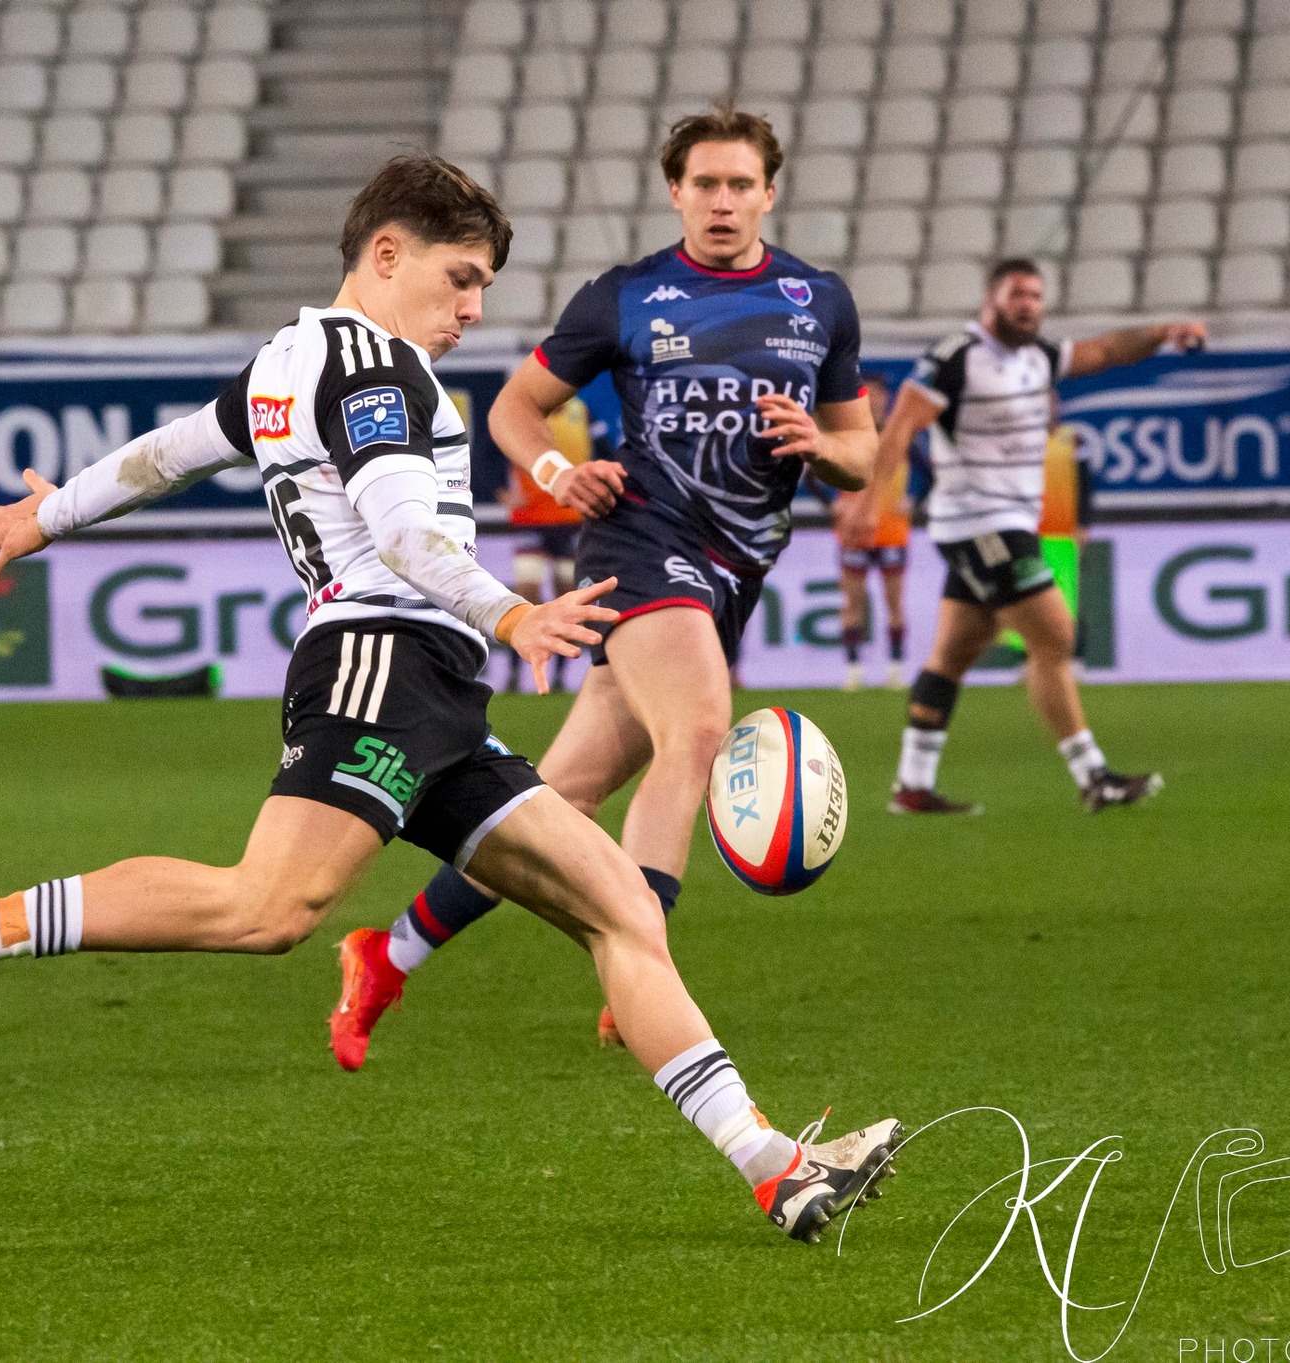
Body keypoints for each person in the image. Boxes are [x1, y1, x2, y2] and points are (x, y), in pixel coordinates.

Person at [0, 156, 903, 1243]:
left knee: (620, 908)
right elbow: (397, 529)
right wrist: (511, 614)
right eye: (460, 279)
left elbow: (170, 455)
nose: (473, 309)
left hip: (428, 686)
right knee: (266, 909)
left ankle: (775, 1167)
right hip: (379, 663)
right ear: (385, 255)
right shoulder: (373, 369)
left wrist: (46, 516)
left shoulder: (289, 361)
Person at [324, 107, 877, 1067]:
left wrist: (820, 446)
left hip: (733, 570)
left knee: (559, 797)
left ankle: (388, 951)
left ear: (769, 193)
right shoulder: (628, 297)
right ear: (675, 191)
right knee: (700, 730)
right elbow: (515, 411)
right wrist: (556, 475)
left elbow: (862, 455)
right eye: (703, 183)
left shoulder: (819, 303)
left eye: (740, 184)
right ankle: (644, 967)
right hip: (642, 542)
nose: (721, 200)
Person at [858, 258, 1205, 815]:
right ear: (990, 299)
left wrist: (1163, 334)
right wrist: (869, 507)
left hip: (1006, 522)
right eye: (1017, 294)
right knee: (1054, 637)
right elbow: (899, 427)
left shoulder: (1038, 358)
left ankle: (912, 785)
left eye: (1037, 296)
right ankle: (1095, 776)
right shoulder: (957, 357)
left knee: (954, 653)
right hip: (978, 522)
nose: (1029, 305)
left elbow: (1105, 352)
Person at [495, 395, 590, 692]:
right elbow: (489, 451)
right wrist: (499, 490)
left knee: (566, 599)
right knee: (526, 593)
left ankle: (559, 677)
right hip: (531, 520)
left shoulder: (581, 411)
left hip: (570, 518)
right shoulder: (521, 411)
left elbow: (605, 451)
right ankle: (512, 675)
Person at [831, 374, 912, 692]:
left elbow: (929, 471)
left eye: (880, 396)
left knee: (894, 602)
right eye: (869, 396)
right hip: (853, 533)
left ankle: (896, 668)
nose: (875, 403)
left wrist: (913, 501)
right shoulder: (848, 436)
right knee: (852, 602)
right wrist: (833, 505)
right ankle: (853, 670)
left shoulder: (899, 436)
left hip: (891, 531)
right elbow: (813, 473)